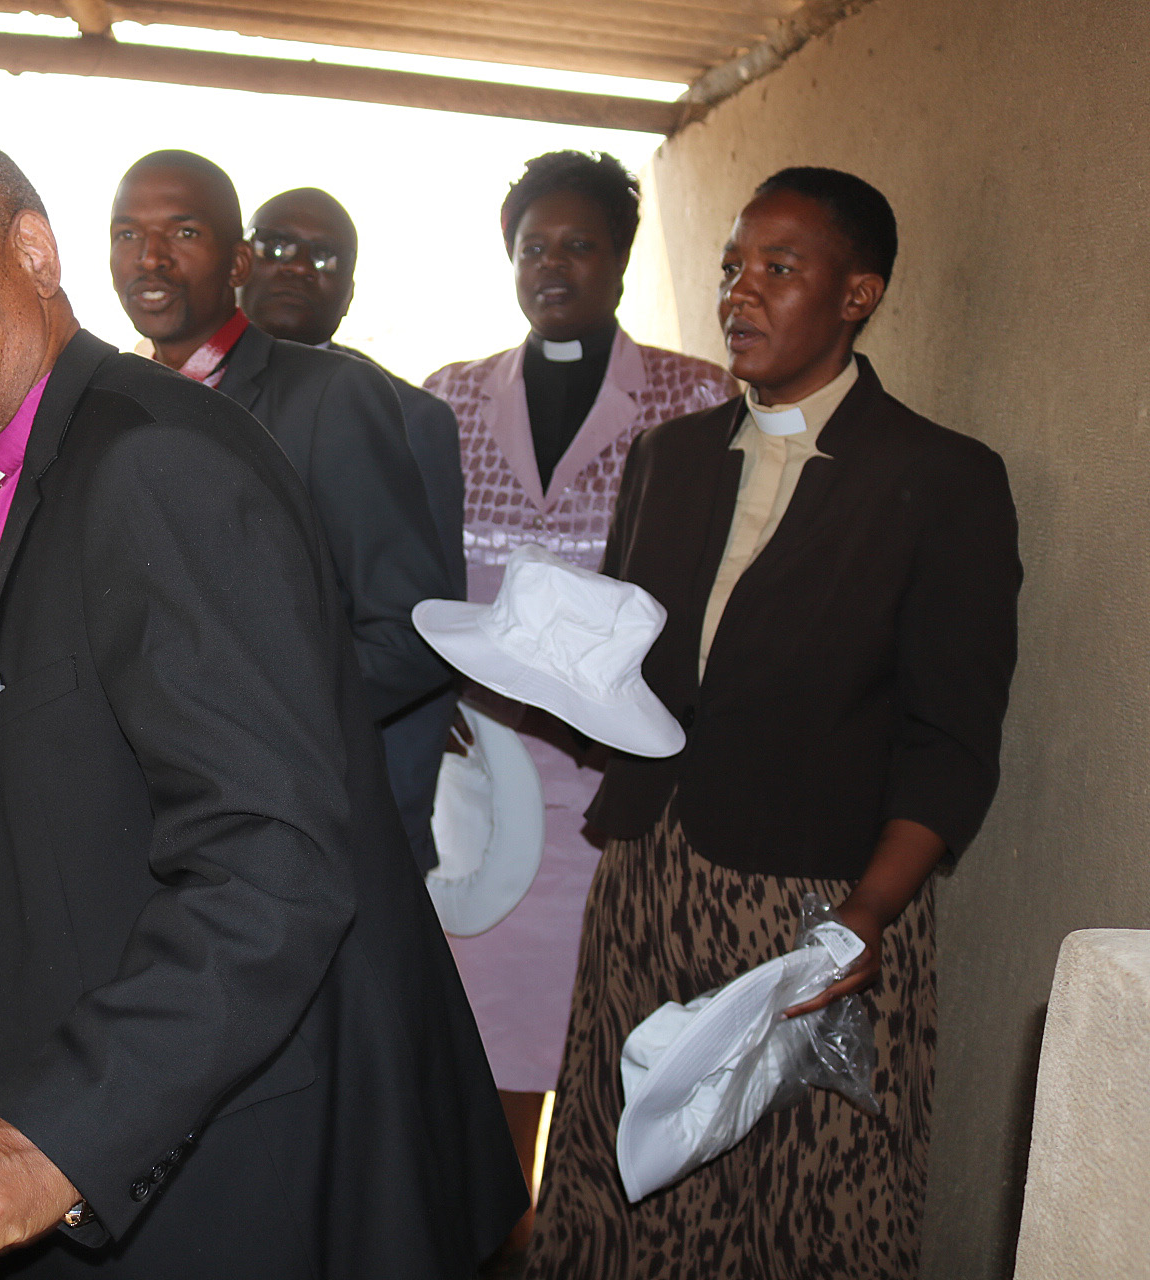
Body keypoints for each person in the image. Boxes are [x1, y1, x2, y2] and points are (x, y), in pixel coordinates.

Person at [0, 137, 520, 1278]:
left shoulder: (148, 460)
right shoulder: (55, 462)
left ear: (32, 252)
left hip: (264, 1160)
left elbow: (271, 860)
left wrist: (56, 1137)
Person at [525, 168, 1021, 1279]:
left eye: (780, 269)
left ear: (859, 294)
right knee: (627, 1181)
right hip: (650, 882)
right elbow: (633, 669)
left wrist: (867, 915)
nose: (741, 293)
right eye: (732, 267)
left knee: (802, 1201)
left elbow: (951, 739)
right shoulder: (670, 459)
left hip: (814, 915)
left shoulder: (941, 478)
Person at [421, 150, 736, 1238]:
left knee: (606, 1046)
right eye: (533, 246)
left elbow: (716, 582)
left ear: (620, 259)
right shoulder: (449, 397)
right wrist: (425, 689)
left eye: (579, 244)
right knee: (488, 1050)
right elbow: (404, 566)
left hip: (622, 782)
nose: (553, 265)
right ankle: (492, 1244)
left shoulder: (694, 394)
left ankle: (584, 1249)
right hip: (485, 769)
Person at [110, 151, 454, 874]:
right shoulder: (107, 410)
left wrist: (235, 722)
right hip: (151, 826)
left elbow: (412, 635)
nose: (152, 260)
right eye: (127, 235)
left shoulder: (334, 397)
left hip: (297, 822)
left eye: (183, 233)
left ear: (236, 262)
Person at [240, 186, 465, 874]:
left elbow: (420, 640)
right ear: (239, 262)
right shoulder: (164, 402)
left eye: (324, 256)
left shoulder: (410, 420)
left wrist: (394, 830)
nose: (296, 265)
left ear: (350, 293)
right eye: (276, 245)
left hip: (340, 817)